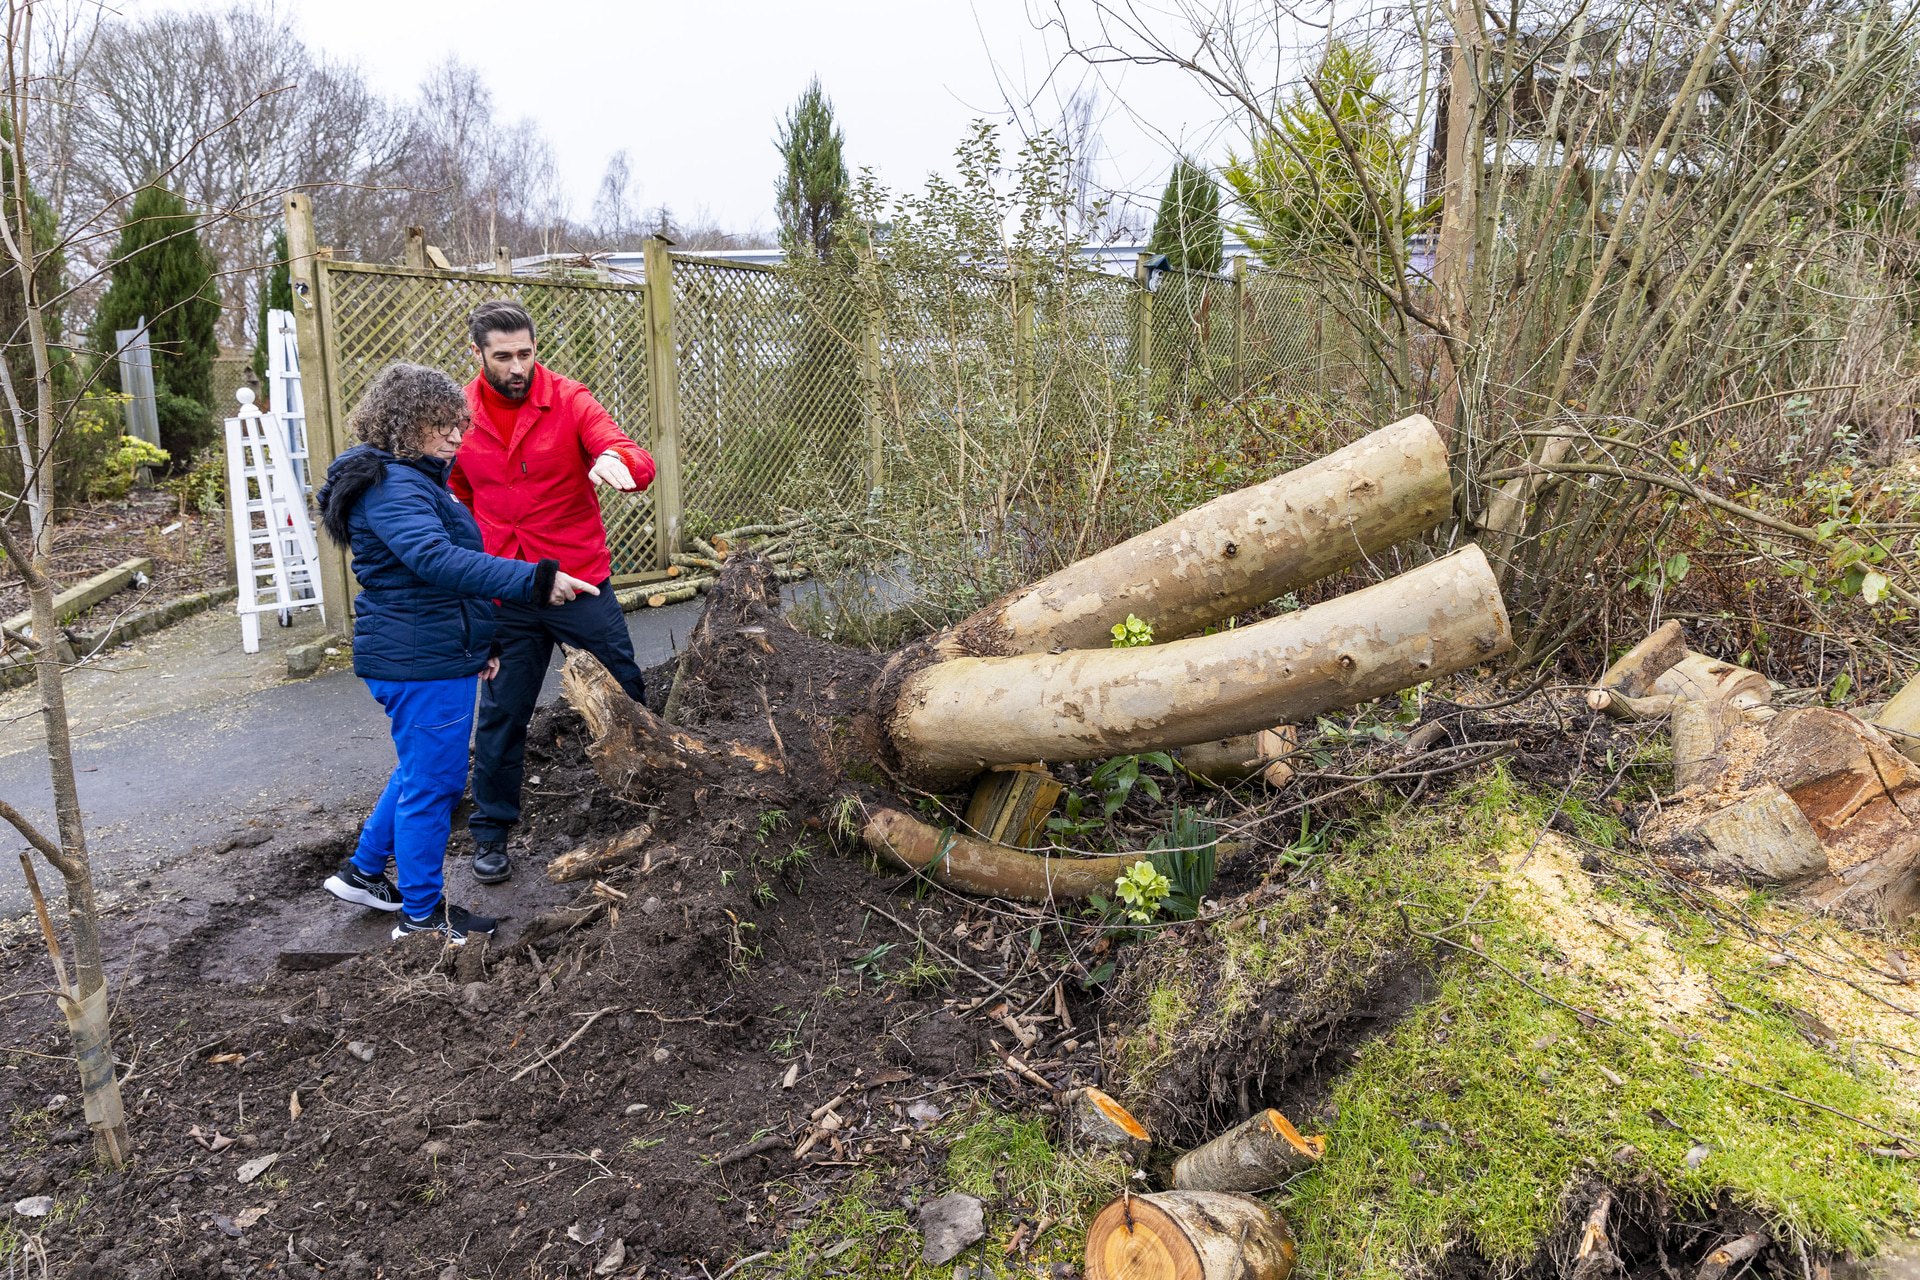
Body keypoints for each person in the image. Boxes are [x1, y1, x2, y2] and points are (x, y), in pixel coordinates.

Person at [316, 361, 600, 943]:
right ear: (402, 423)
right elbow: (436, 562)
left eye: (459, 425)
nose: (455, 437)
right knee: (435, 785)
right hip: (419, 663)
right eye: (441, 425)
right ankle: (423, 916)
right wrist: (535, 579)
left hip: (433, 650)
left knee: (417, 771)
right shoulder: (392, 487)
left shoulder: (413, 480)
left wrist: (484, 642)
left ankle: (364, 872)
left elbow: (437, 584)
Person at [451, 300, 656, 885]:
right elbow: (459, 493)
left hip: (579, 582)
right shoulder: (460, 414)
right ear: (478, 355)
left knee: (623, 689)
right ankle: (491, 832)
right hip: (507, 589)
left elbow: (630, 454)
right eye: (503, 357)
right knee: (501, 714)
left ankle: (647, 803)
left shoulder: (570, 400)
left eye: (526, 353)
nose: (517, 367)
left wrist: (619, 460)